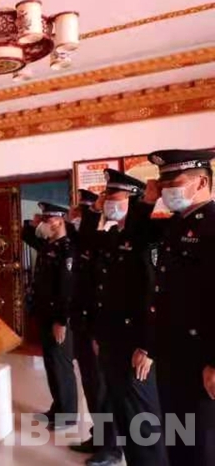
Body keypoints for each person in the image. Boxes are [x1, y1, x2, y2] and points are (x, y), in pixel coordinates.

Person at [131, 149, 215, 465]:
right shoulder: (176, 224)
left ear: (202, 182)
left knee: (201, 446)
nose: (166, 190)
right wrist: (147, 200)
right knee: (179, 438)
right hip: (172, 352)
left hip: (201, 357)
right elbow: (135, 239)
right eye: (161, 184)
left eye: (173, 183)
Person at [86, 169, 167, 465]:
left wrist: (148, 346)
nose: (107, 200)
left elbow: (154, 296)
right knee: (123, 413)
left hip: (136, 344)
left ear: (133, 200)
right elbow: (88, 249)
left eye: (113, 195)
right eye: (106, 195)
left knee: (142, 420)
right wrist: (99, 334)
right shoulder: (115, 237)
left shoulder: (150, 237)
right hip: (114, 340)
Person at [69, 189, 123, 466]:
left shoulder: (110, 240)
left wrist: (94, 213)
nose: (76, 216)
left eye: (84, 211)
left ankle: (111, 447)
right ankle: (99, 436)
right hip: (84, 323)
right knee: (91, 386)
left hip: (99, 327)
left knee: (103, 390)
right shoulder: (88, 242)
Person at [22, 202, 78, 430]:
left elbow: (67, 289)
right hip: (45, 314)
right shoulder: (48, 245)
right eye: (43, 219)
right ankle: (58, 408)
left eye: (48, 219)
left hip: (58, 319)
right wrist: (31, 222)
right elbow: (27, 235)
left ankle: (68, 414)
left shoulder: (68, 248)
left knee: (61, 366)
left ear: (60, 220)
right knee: (51, 364)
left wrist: (61, 321)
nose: (44, 223)